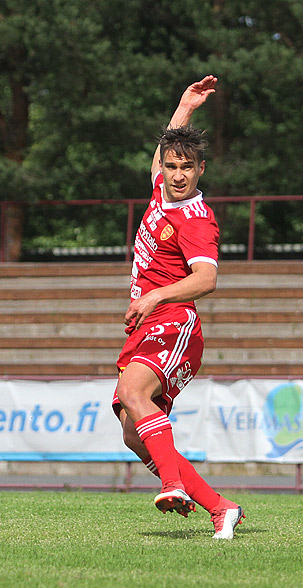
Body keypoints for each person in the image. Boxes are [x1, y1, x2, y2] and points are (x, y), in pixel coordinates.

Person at [112, 75, 243, 539]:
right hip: (149, 325)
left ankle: (172, 484)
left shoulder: (195, 219)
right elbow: (162, 151)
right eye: (171, 165)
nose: (178, 173)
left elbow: (207, 279)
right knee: (133, 432)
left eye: (187, 166)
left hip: (175, 322)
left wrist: (154, 296)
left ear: (201, 170)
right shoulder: (160, 192)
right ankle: (220, 507)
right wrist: (185, 107)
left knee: (133, 393)